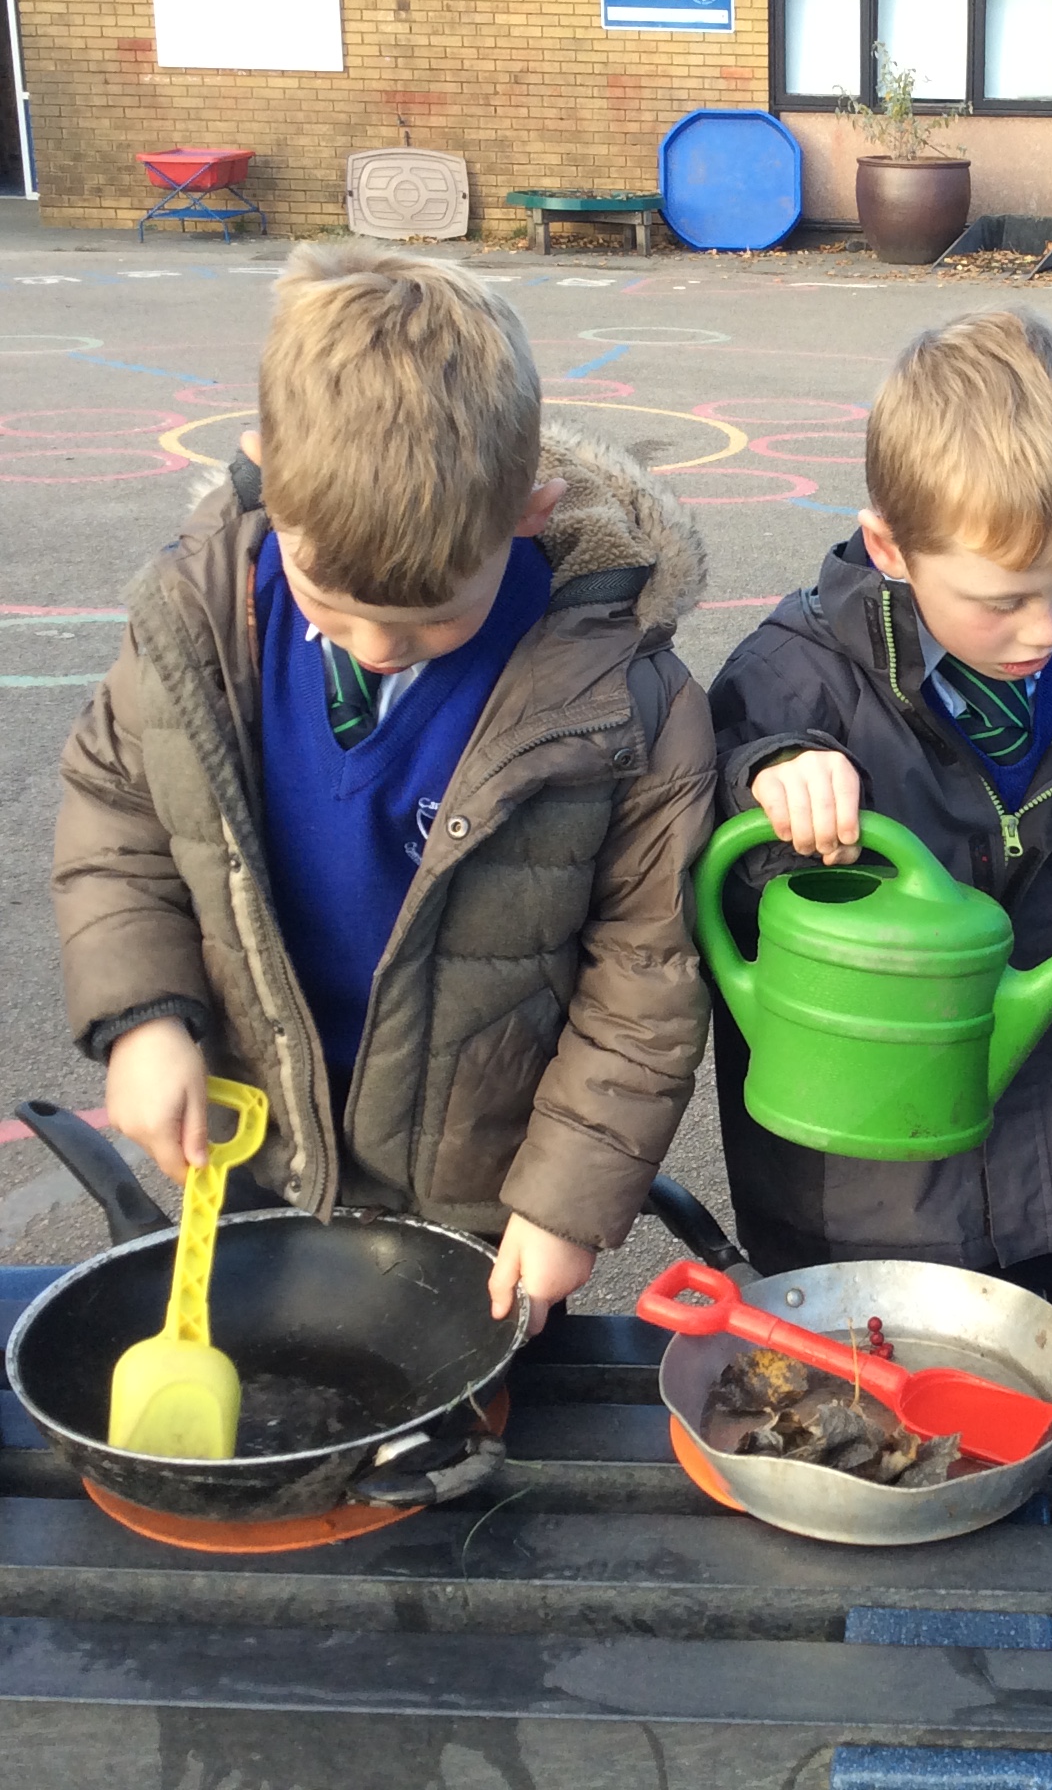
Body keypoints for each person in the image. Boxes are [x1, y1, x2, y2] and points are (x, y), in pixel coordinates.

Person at [52, 243, 715, 1333]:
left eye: (429, 620)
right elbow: (120, 819)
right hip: (256, 1145)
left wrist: (562, 1202)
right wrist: (143, 1019)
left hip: (481, 1186)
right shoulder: (198, 630)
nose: (376, 645)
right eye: (331, 597)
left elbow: (646, 972)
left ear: (531, 511)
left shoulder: (622, 700)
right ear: (268, 471)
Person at [706, 309, 1052, 1326]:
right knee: (853, 1420)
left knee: (1035, 1385)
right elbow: (702, 869)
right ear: (892, 547)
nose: (1045, 627)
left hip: (1042, 1165)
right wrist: (770, 777)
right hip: (854, 1177)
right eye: (1004, 598)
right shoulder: (794, 683)